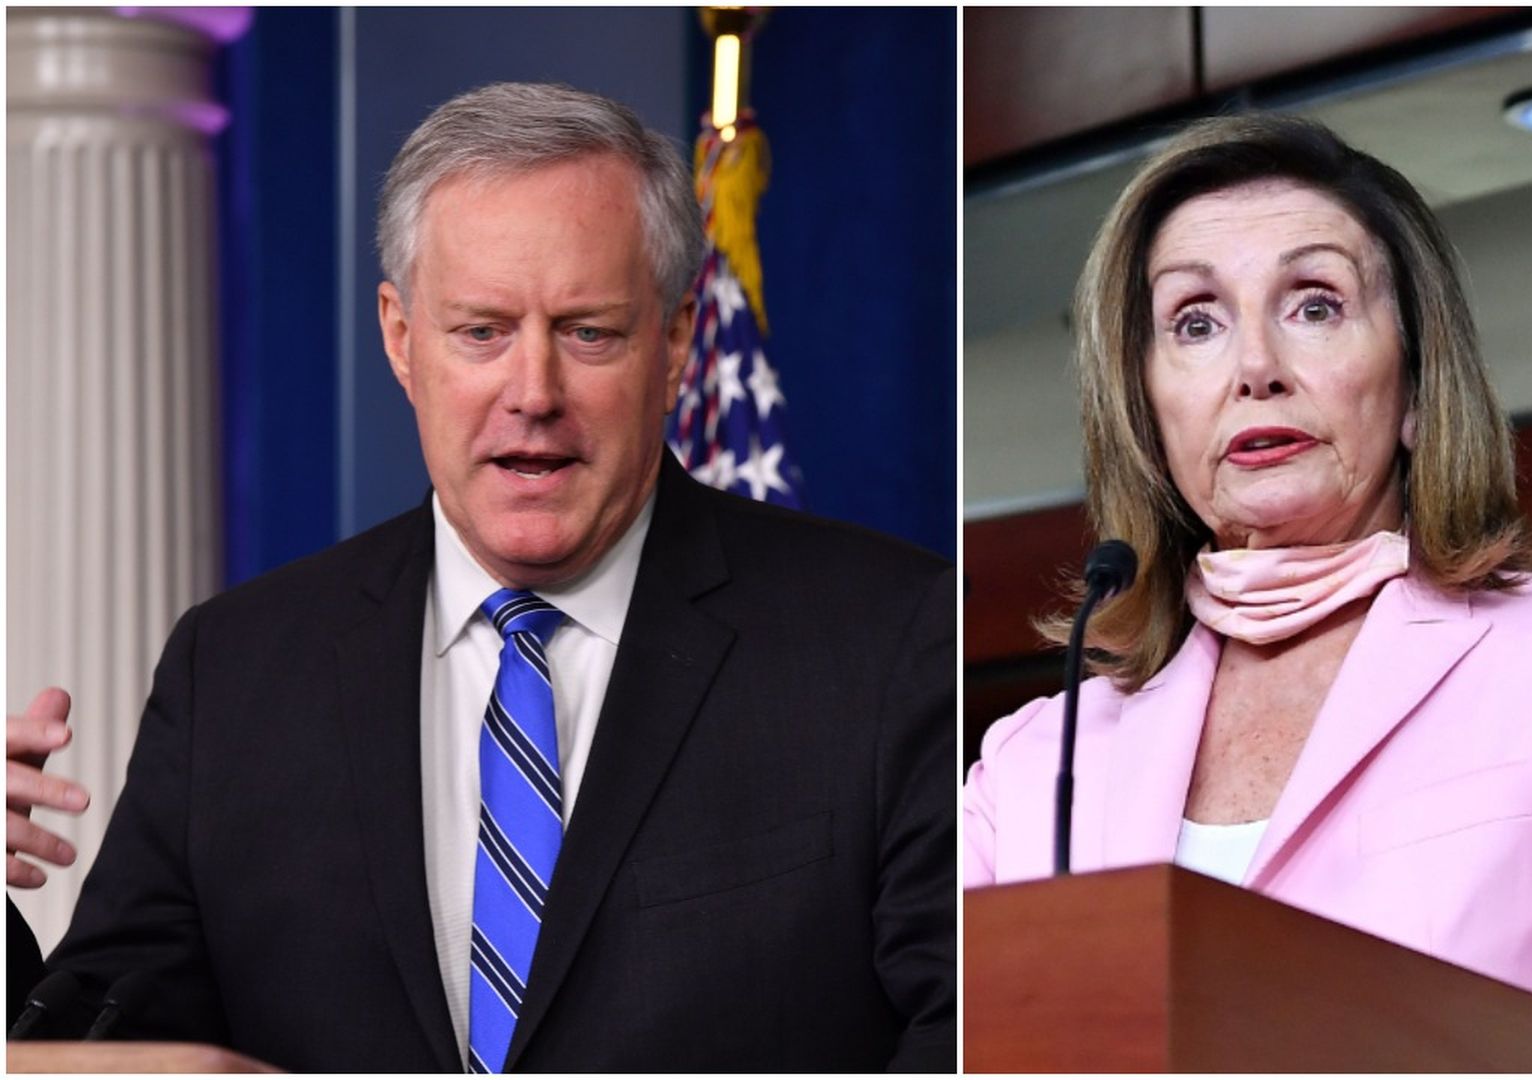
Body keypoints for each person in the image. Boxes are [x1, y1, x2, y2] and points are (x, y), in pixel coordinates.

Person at [6, 82, 955, 1072]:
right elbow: (96, 1040)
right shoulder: (234, 669)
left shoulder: (887, 642)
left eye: (588, 331)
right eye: (481, 332)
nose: (533, 392)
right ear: (401, 338)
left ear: (676, 339)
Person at [961, 113, 1532, 1071]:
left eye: (1315, 305)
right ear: (1145, 408)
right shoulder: (1035, 764)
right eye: (1196, 323)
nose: (1255, 370)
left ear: (1416, 384)